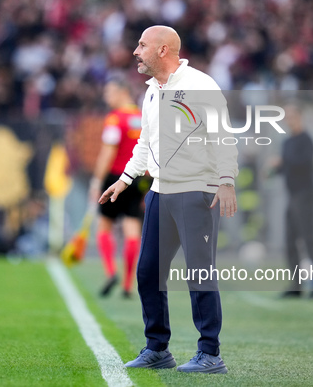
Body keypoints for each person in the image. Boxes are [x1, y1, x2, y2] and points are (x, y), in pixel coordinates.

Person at [99, 25, 238, 374]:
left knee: (199, 273)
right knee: (148, 273)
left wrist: (226, 181)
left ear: (163, 50)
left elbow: (223, 136)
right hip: (160, 191)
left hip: (197, 192)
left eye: (142, 45)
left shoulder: (201, 85)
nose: (135, 51)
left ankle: (210, 354)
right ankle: (157, 348)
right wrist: (126, 179)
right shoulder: (149, 92)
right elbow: (145, 144)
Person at [89, 78, 143, 298]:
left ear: (123, 92)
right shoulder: (143, 117)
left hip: (115, 177)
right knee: (132, 228)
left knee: (104, 227)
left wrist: (96, 180)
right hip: (139, 177)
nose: (106, 97)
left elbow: (108, 152)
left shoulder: (115, 119)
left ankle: (111, 272)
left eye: (110, 92)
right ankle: (128, 285)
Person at [270, 105, 313, 299]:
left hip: (305, 195)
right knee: (290, 241)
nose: (290, 120)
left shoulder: (306, 140)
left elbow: (302, 163)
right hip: (292, 195)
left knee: (309, 240)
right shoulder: (287, 142)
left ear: (300, 117)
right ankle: (296, 285)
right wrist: (273, 170)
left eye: (293, 116)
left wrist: (282, 161)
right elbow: (286, 167)